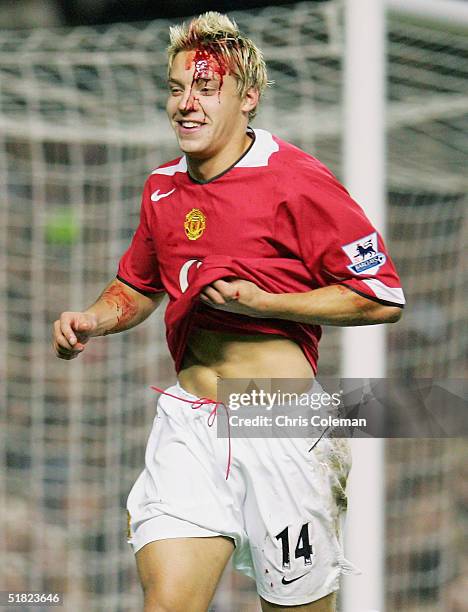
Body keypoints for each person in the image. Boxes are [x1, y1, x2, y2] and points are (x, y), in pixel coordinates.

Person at [53, 12, 405, 612]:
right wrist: (92, 318)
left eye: (205, 89)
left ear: (248, 98)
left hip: (280, 421)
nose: (186, 104)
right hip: (190, 423)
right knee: (167, 604)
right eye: (175, 89)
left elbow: (382, 295)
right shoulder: (161, 188)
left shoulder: (296, 180)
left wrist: (266, 301)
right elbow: (137, 287)